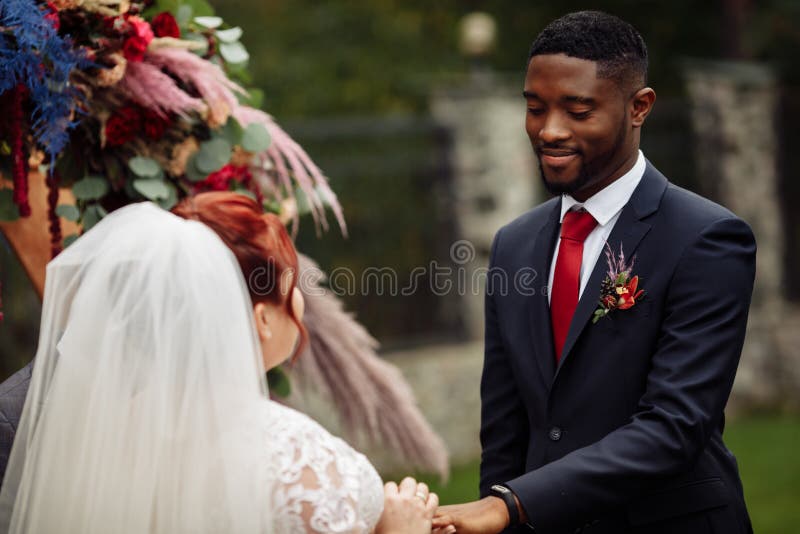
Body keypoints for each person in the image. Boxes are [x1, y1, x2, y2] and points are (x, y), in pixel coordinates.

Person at [434, 11, 755, 534]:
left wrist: (513, 503)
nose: (549, 130)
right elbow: (504, 426)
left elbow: (673, 427)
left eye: (578, 110)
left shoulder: (706, 238)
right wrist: (501, 513)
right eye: (535, 109)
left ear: (639, 108)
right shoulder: (514, 245)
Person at [0, 194, 444, 534]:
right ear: (262, 319)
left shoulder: (93, 439)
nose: (302, 302)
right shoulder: (287, 450)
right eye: (293, 285)